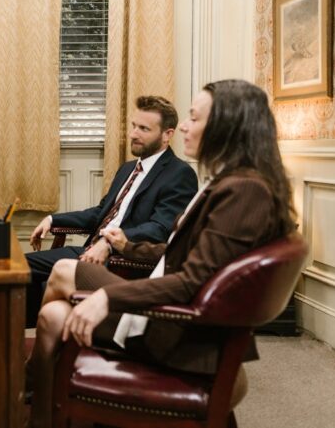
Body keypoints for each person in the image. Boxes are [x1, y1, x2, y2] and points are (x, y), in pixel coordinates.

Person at [26, 80, 297, 428]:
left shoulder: (244, 192)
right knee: (52, 316)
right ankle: (42, 410)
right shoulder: (233, 182)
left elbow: (191, 282)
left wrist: (108, 297)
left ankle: (30, 391)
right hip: (174, 318)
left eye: (194, 118)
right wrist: (126, 246)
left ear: (226, 128)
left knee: (64, 272)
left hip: (176, 333)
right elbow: (186, 255)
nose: (184, 125)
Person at [25, 96, 198, 327]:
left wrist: (108, 242)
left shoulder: (179, 174)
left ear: (167, 134)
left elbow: (159, 228)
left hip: (119, 261)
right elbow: (99, 214)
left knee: (34, 276)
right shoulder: (128, 168)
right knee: (19, 268)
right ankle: (13, 339)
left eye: (144, 129)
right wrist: (52, 218)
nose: (133, 134)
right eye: (134, 126)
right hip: (88, 250)